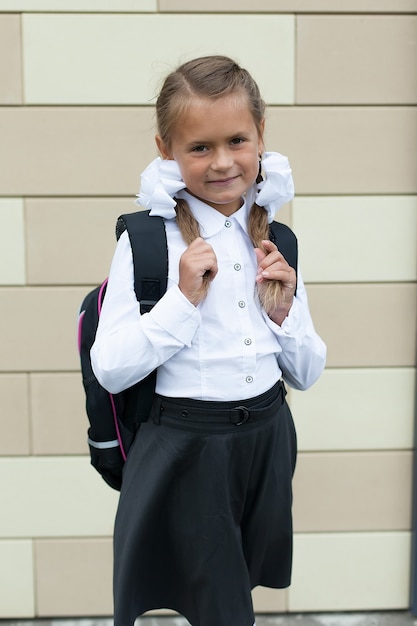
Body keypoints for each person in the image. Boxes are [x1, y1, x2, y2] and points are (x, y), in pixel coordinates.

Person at [91, 55, 326, 626]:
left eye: (237, 140)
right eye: (200, 147)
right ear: (166, 148)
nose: (222, 162)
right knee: (224, 610)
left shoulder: (276, 237)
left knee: (234, 586)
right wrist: (181, 301)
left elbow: (307, 371)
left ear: (261, 135)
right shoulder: (148, 242)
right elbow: (111, 368)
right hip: (190, 449)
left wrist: (285, 311)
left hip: (267, 442)